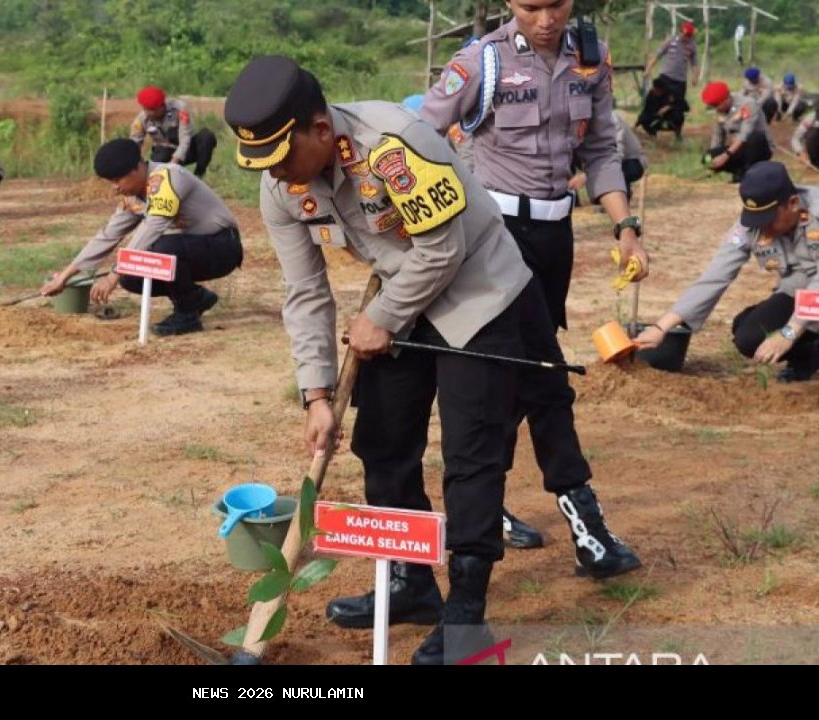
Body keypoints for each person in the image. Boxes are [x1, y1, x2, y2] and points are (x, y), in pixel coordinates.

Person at [225, 55, 533, 665]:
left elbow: (444, 247)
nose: (279, 175)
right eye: (265, 164)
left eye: (284, 157)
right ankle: (410, 583)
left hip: (480, 292)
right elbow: (304, 292)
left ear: (320, 130)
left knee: (472, 454)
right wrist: (315, 394)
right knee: (384, 444)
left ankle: (466, 614)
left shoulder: (393, 144)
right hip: (401, 300)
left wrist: (382, 319)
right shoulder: (281, 186)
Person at [419, 0, 645, 569]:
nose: (545, 19)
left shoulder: (590, 60)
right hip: (495, 239)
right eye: (529, 6)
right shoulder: (480, 62)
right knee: (541, 381)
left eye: (557, 4)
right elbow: (418, 137)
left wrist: (625, 226)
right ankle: (586, 528)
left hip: (554, 239)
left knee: (529, 380)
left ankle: (502, 510)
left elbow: (598, 151)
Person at [636, 162, 819, 383]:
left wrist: (789, 333)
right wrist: (661, 326)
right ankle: (809, 356)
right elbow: (716, 275)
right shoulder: (752, 224)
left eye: (768, 220)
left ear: (792, 203)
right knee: (749, 335)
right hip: (800, 292)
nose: (762, 228)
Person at [41, 139, 242, 336]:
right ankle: (195, 298)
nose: (115, 188)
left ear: (137, 168)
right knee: (131, 276)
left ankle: (187, 314)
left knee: (160, 248)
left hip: (223, 247)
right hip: (191, 250)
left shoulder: (167, 177)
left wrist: (113, 274)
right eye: (111, 182)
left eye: (118, 180)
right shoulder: (134, 196)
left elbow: (154, 226)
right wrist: (66, 276)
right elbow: (107, 236)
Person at [130, 86, 217, 178]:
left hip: (186, 150)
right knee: (160, 155)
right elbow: (134, 144)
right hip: (164, 153)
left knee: (206, 137)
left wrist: (174, 162)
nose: (150, 113)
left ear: (162, 105)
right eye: (146, 109)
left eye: (153, 110)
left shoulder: (180, 109)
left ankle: (199, 174)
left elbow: (185, 137)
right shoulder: (142, 119)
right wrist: (137, 165)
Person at [701, 80, 773, 183]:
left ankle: (749, 173)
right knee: (707, 158)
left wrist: (726, 155)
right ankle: (739, 171)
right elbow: (717, 137)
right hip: (736, 150)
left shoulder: (747, 104)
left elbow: (744, 135)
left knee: (754, 138)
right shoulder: (719, 111)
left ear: (726, 99)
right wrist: (713, 158)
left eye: (717, 105)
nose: (716, 109)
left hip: (757, 147)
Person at [572, 110, 648, 204]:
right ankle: (571, 198)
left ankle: (620, 195)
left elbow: (615, 155)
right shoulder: (574, 121)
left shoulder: (612, 119)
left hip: (630, 161)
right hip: (599, 161)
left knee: (614, 168)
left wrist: (587, 176)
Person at [638, 21, 698, 138]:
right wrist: (648, 69)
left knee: (678, 108)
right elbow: (657, 55)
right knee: (654, 103)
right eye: (685, 35)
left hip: (680, 82)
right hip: (665, 79)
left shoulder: (692, 46)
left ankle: (677, 133)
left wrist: (695, 76)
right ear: (681, 32)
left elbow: (694, 63)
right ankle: (650, 128)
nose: (686, 38)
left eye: (689, 36)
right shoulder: (671, 41)